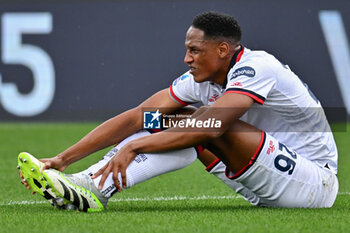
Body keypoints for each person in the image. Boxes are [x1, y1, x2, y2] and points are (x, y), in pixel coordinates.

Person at [19, 11, 338, 212]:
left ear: (222, 50)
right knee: (168, 120)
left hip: (314, 183)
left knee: (199, 122)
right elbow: (135, 118)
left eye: (195, 50)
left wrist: (134, 146)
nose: (187, 58)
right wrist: (63, 158)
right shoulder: (201, 79)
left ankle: (94, 186)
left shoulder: (258, 67)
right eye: (187, 50)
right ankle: (90, 184)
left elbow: (213, 127)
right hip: (264, 175)